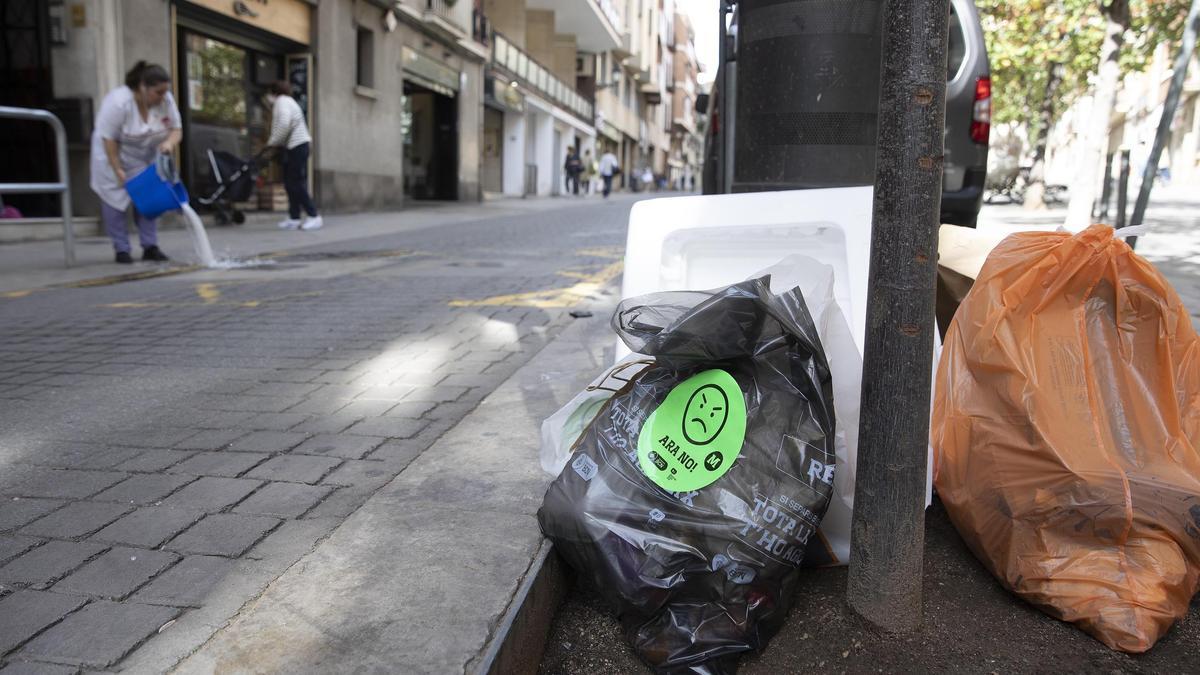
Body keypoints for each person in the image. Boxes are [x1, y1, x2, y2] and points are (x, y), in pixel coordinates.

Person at [90, 61, 180, 264]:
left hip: (144, 155)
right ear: (142, 87)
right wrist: (117, 168)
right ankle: (121, 249)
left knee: (148, 198)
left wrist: (168, 144)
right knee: (115, 201)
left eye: (165, 91)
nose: (163, 96)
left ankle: (150, 246)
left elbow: (176, 129)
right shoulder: (118, 103)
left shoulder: (166, 101)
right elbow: (109, 139)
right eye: (158, 92)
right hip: (112, 154)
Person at [265, 80, 321, 230]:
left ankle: (313, 215)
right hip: (296, 145)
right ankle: (294, 217)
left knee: (295, 183)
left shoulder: (282, 102)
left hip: (297, 146)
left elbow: (284, 123)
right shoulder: (288, 101)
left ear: (273, 92)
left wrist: (273, 141)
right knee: (291, 183)